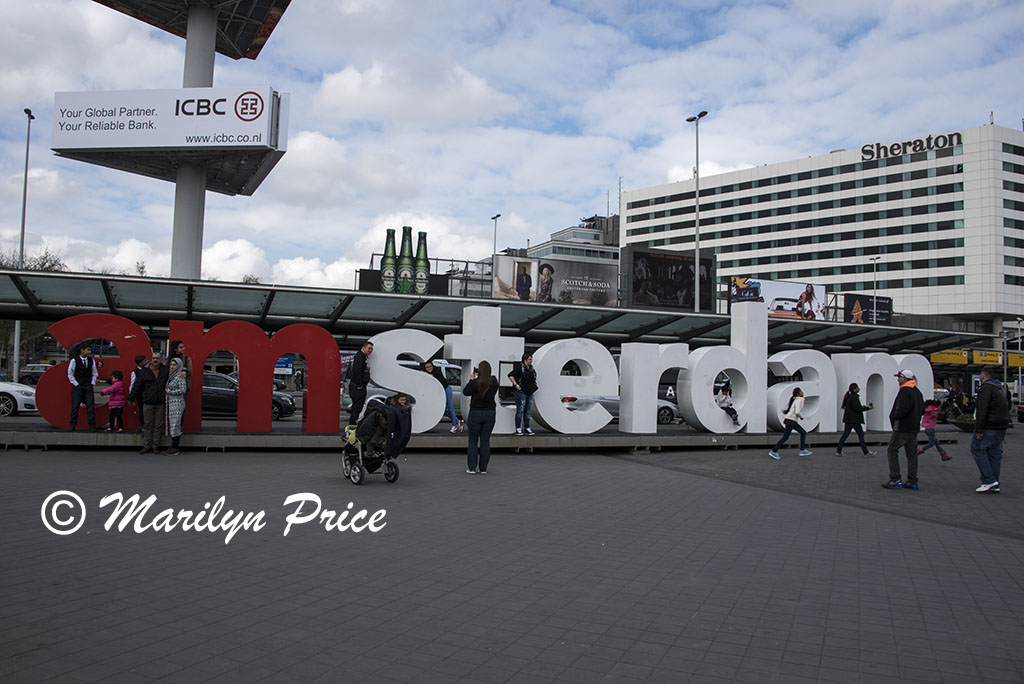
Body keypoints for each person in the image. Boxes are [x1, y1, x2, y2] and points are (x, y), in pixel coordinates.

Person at [882, 369, 925, 490]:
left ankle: (895, 478)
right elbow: (922, 410)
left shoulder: (904, 391)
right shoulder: (917, 392)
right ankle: (912, 481)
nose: (898, 380)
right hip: (914, 428)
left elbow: (901, 410)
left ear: (905, 378)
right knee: (912, 455)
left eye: (899, 377)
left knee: (892, 450)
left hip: (902, 428)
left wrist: (894, 417)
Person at [971, 367, 1010, 493]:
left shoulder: (986, 389)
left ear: (983, 377)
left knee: (977, 449)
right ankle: (994, 482)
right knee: (995, 454)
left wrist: (979, 429)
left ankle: (988, 479)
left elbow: (982, 409)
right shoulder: (1000, 389)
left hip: (989, 426)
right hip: (1001, 426)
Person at [128, 351, 169, 454]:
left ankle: (155, 446)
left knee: (158, 425)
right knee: (147, 424)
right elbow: (137, 385)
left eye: (157, 358)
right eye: (154, 358)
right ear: (151, 359)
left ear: (161, 359)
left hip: (160, 402)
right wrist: (131, 397)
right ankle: (146, 446)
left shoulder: (165, 370)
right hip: (148, 401)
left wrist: (184, 371)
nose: (155, 360)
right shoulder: (144, 371)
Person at [463, 360, 498, 474]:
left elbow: (466, 392)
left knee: (473, 441)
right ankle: (483, 468)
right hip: (490, 412)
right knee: (485, 441)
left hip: (476, 412)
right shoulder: (494, 381)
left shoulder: (475, 382)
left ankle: (472, 468)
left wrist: (472, 379)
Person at [769, 388, 812, 459]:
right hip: (791, 421)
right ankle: (774, 451)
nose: (802, 392)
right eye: (801, 391)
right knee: (800, 433)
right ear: (798, 394)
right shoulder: (800, 400)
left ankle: (802, 450)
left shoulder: (795, 399)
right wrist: (801, 417)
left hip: (789, 420)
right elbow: (797, 412)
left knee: (792, 435)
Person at [836, 383, 875, 457]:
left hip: (848, 419)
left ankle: (839, 451)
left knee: (845, 435)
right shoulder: (854, 398)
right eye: (857, 388)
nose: (859, 389)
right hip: (854, 420)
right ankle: (866, 452)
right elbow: (858, 409)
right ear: (854, 389)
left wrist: (862, 407)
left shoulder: (849, 397)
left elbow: (854, 407)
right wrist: (867, 408)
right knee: (861, 435)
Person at [423, 360, 462, 433]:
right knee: (442, 410)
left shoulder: (437, 370)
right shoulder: (426, 374)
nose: (429, 368)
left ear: (432, 366)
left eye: (430, 366)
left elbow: (439, 380)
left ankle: (454, 426)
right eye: (427, 367)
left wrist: (428, 374)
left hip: (446, 389)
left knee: (450, 408)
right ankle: (457, 421)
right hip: (438, 392)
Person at [67, 343, 99, 431]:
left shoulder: (91, 360)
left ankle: (92, 425)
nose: (89, 352)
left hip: (88, 385)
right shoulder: (74, 360)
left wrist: (92, 382)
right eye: (88, 350)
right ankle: (72, 425)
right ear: (82, 350)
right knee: (75, 406)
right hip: (78, 385)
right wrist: (76, 383)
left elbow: (95, 372)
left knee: (90, 406)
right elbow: (69, 373)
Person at [508, 353, 538, 435]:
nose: (531, 361)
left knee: (527, 411)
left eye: (531, 359)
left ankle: (527, 427)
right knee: (520, 410)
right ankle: (518, 428)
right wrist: (516, 384)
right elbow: (510, 375)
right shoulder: (520, 368)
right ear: (525, 360)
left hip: (529, 391)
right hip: (521, 391)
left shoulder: (531, 368)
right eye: (529, 359)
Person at [164, 357, 187, 455]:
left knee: (175, 425)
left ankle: (175, 447)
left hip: (177, 403)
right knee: (172, 424)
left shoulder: (180, 376)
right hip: (171, 403)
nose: (172, 366)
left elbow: (182, 390)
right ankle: (173, 446)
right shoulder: (171, 376)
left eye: (174, 365)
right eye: (171, 364)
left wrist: (170, 392)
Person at [347, 341, 373, 425]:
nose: (370, 350)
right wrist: (359, 385)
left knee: (358, 407)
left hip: (359, 386)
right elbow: (356, 371)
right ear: (364, 347)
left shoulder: (363, 357)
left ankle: (353, 425)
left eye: (371, 349)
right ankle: (352, 426)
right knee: (357, 408)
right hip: (357, 387)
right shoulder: (359, 357)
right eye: (369, 348)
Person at [129, 354, 147, 432]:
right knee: (142, 410)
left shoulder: (147, 369)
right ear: (140, 363)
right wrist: (131, 396)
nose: (147, 361)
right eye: (145, 361)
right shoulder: (135, 372)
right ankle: (143, 425)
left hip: (147, 393)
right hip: (140, 394)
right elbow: (132, 384)